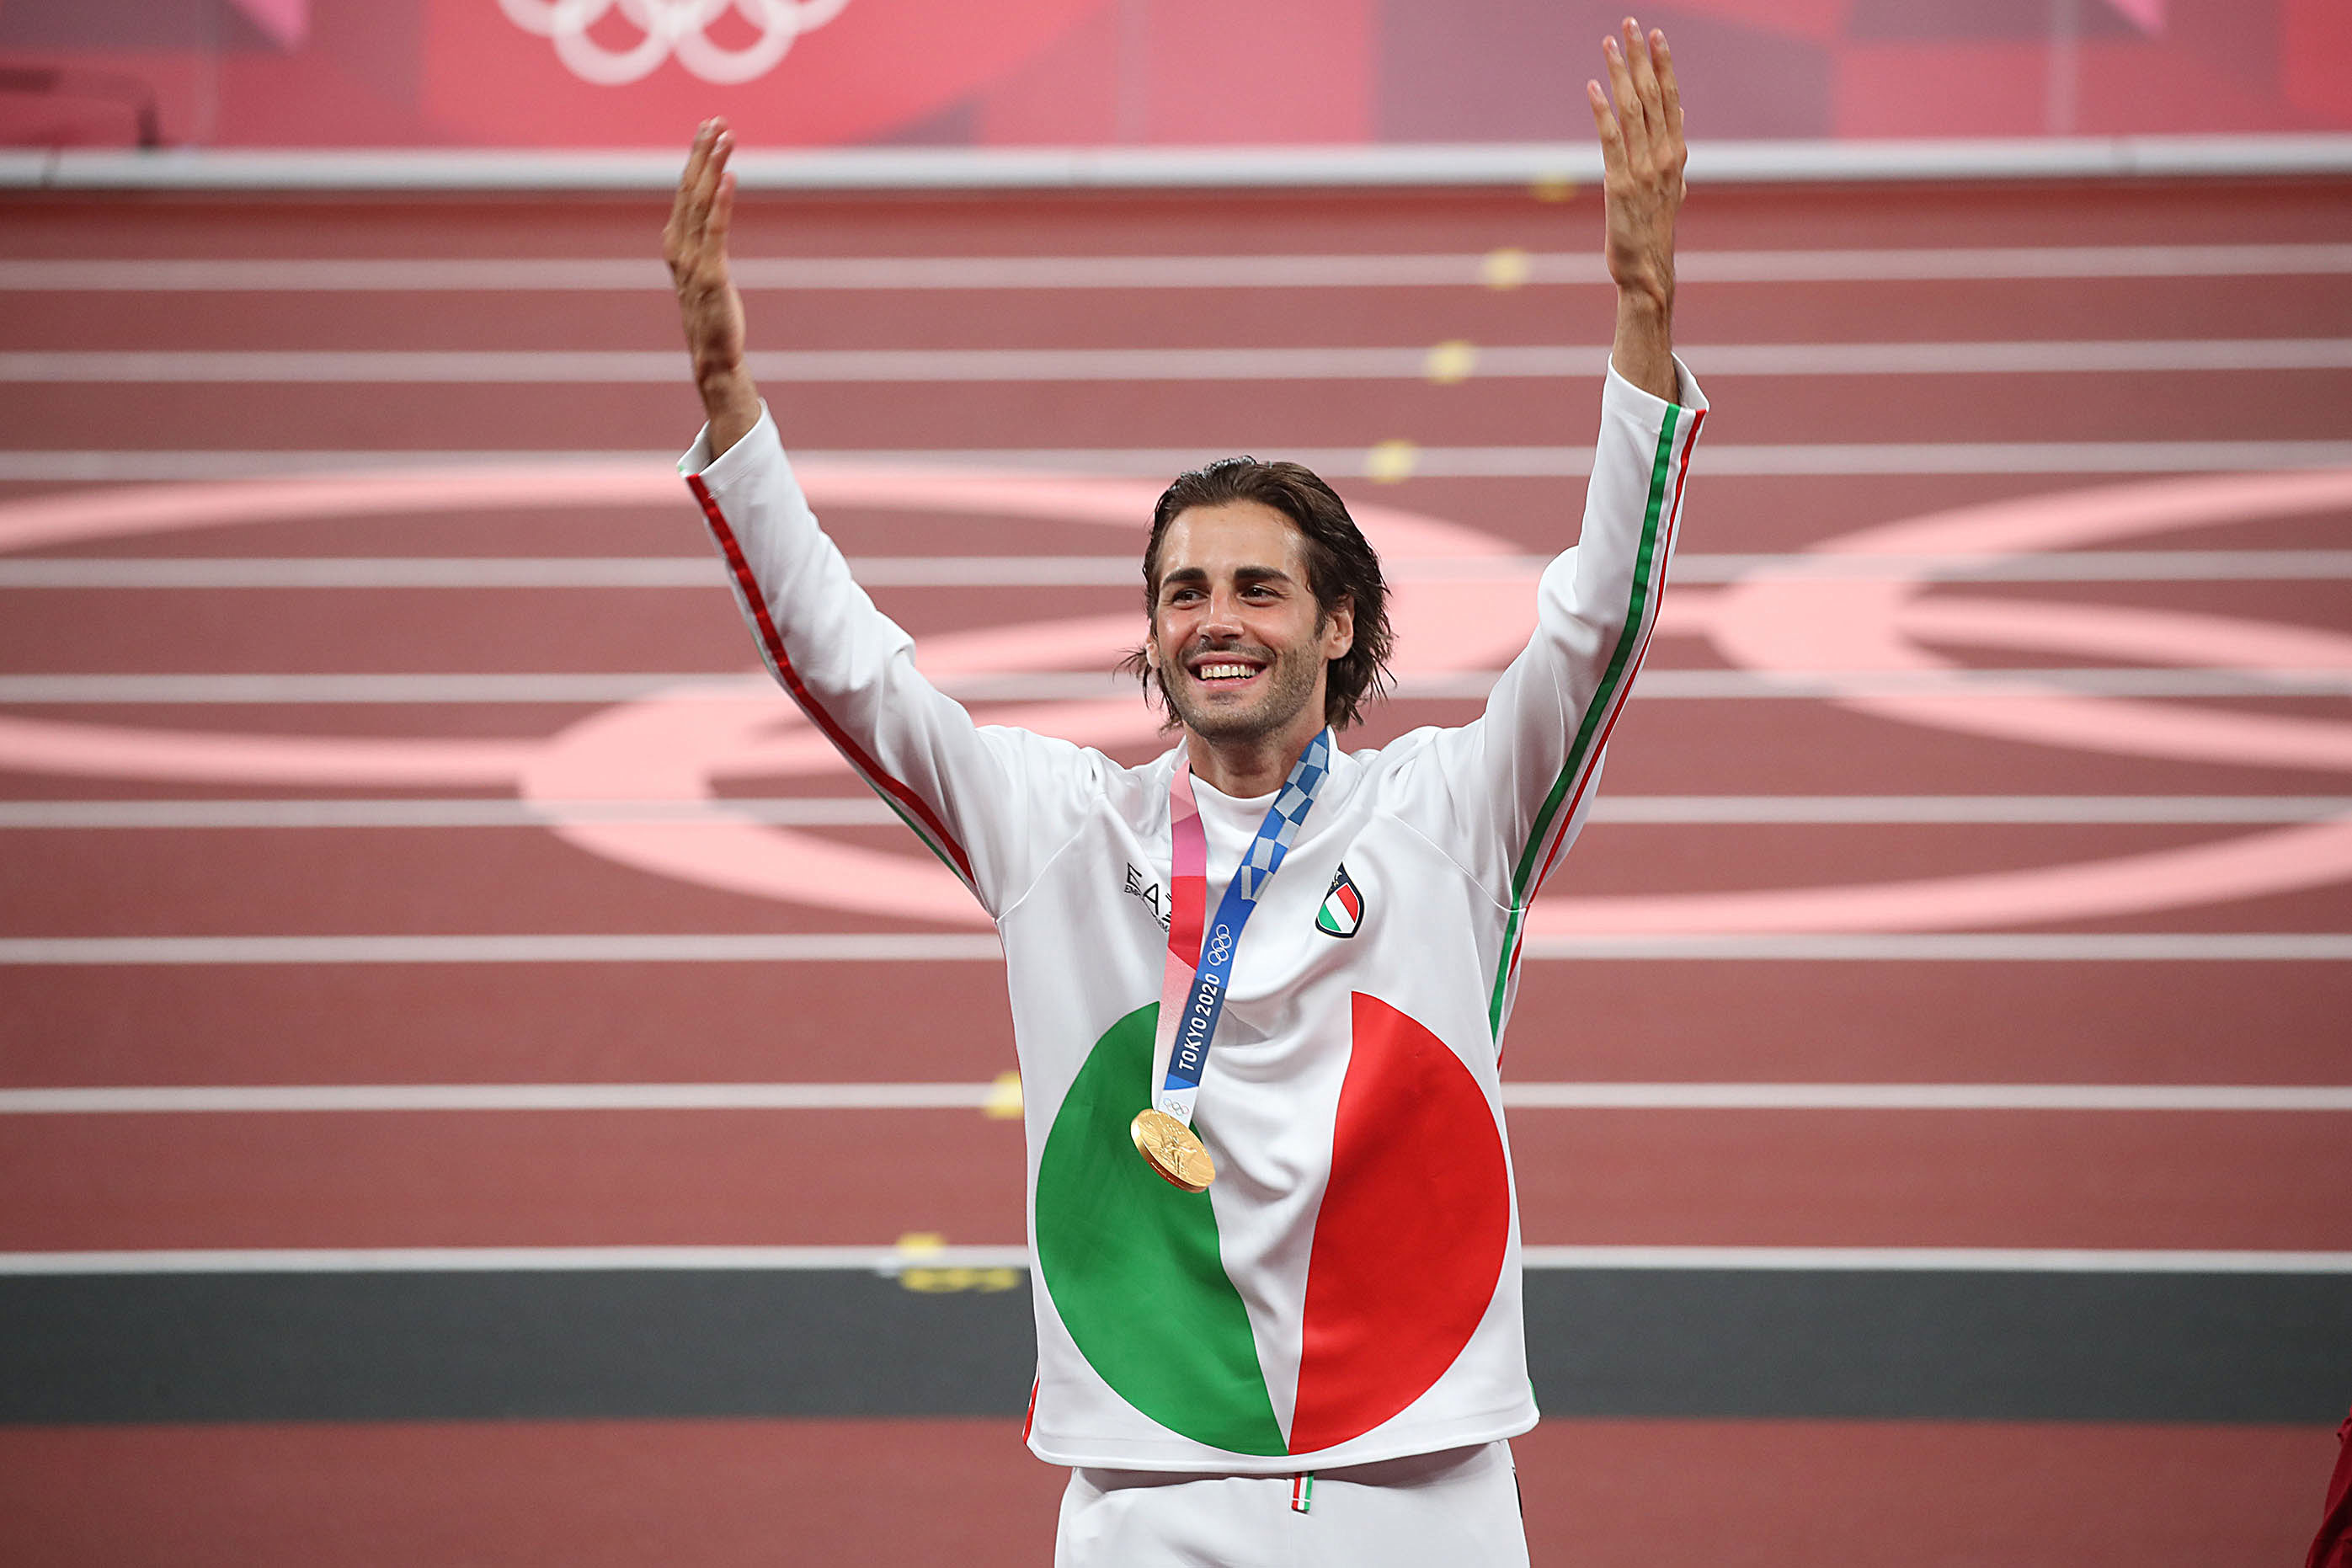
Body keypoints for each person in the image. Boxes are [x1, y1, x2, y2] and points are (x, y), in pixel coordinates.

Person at [664, 19, 1701, 1565]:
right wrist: (728, 393)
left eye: (1258, 589)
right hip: (1150, 1497)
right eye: (1183, 591)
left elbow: (1597, 622)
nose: (1216, 619)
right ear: (1152, 632)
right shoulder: (1060, 828)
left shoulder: (1452, 816)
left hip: (1424, 1486)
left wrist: (1641, 307)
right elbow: (848, 670)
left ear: (1338, 625)